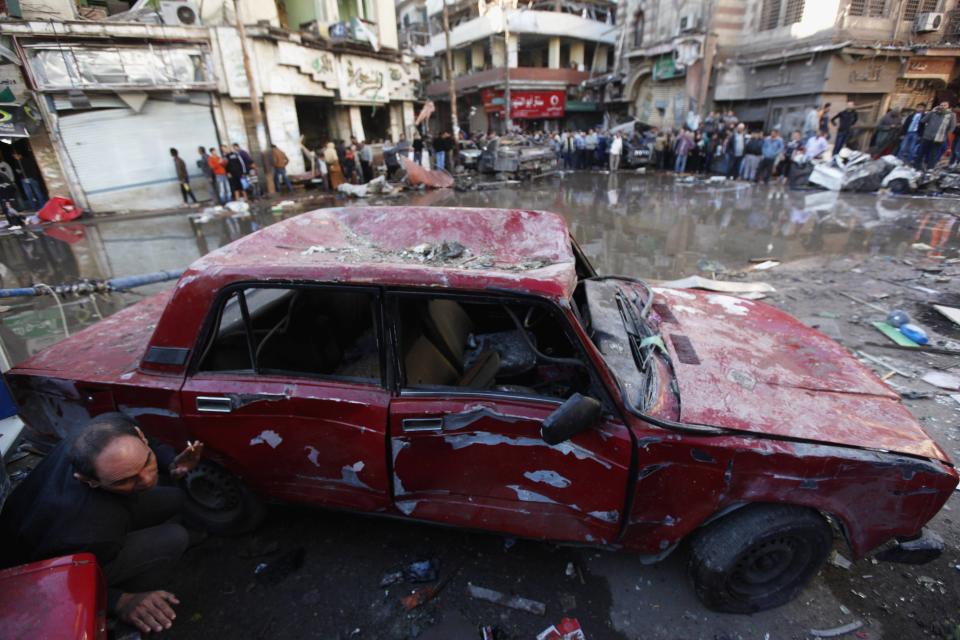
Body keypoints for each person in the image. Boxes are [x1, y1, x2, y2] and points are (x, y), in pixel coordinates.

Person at [0, 413, 204, 634]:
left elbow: (150, 446)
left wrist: (170, 462)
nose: (147, 480)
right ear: (88, 480)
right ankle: (136, 585)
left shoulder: (112, 425)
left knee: (173, 497)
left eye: (147, 461)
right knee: (173, 537)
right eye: (123, 480)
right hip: (36, 564)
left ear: (138, 435)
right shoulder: (89, 531)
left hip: (37, 518)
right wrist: (120, 601)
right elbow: (62, 582)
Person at [917, 100, 956, 170]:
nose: (943, 106)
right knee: (921, 152)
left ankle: (930, 169)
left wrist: (945, 135)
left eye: (945, 105)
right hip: (927, 136)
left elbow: (952, 127)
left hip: (939, 138)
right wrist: (931, 111)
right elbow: (923, 120)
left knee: (933, 154)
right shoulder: (934, 112)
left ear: (948, 107)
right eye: (941, 105)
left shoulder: (951, 115)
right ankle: (916, 166)